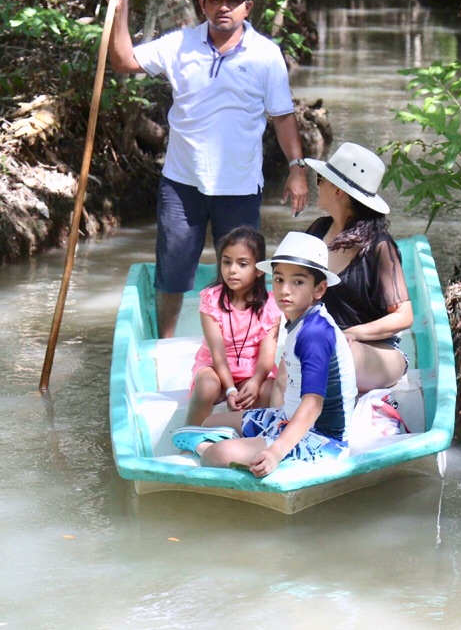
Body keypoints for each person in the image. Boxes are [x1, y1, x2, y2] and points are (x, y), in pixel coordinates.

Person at [104, 0, 309, 338]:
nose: (223, 7)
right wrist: (121, 7)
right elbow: (123, 61)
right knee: (172, 272)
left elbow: (282, 116)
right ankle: (165, 345)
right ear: (202, 5)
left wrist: (296, 168)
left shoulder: (266, 55)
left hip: (240, 184)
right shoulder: (179, 44)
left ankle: (241, 347)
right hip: (182, 183)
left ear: (248, 7)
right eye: (216, 0)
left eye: (232, 1)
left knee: (242, 273)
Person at [171, 232, 357, 477]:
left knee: (215, 455)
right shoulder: (300, 321)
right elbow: (283, 380)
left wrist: (275, 452)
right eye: (279, 280)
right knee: (209, 423)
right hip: (285, 419)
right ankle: (229, 441)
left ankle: (211, 447)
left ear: (319, 289)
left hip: (321, 440)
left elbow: (312, 404)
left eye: (298, 282)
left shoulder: (314, 333)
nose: (285, 291)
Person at [303, 142, 413, 394]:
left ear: (338, 191)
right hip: (325, 343)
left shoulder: (379, 246)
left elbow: (404, 316)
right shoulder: (318, 230)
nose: (316, 183)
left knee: (338, 357)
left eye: (321, 178)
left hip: (377, 349)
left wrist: (352, 333)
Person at [183, 226, 283, 425]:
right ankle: (189, 434)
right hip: (215, 369)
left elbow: (266, 357)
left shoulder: (271, 306)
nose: (232, 270)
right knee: (207, 385)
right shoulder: (211, 300)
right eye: (226, 262)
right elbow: (217, 353)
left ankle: (250, 438)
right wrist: (229, 389)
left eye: (242, 264)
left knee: (270, 389)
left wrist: (255, 382)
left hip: (251, 372)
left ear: (258, 271)